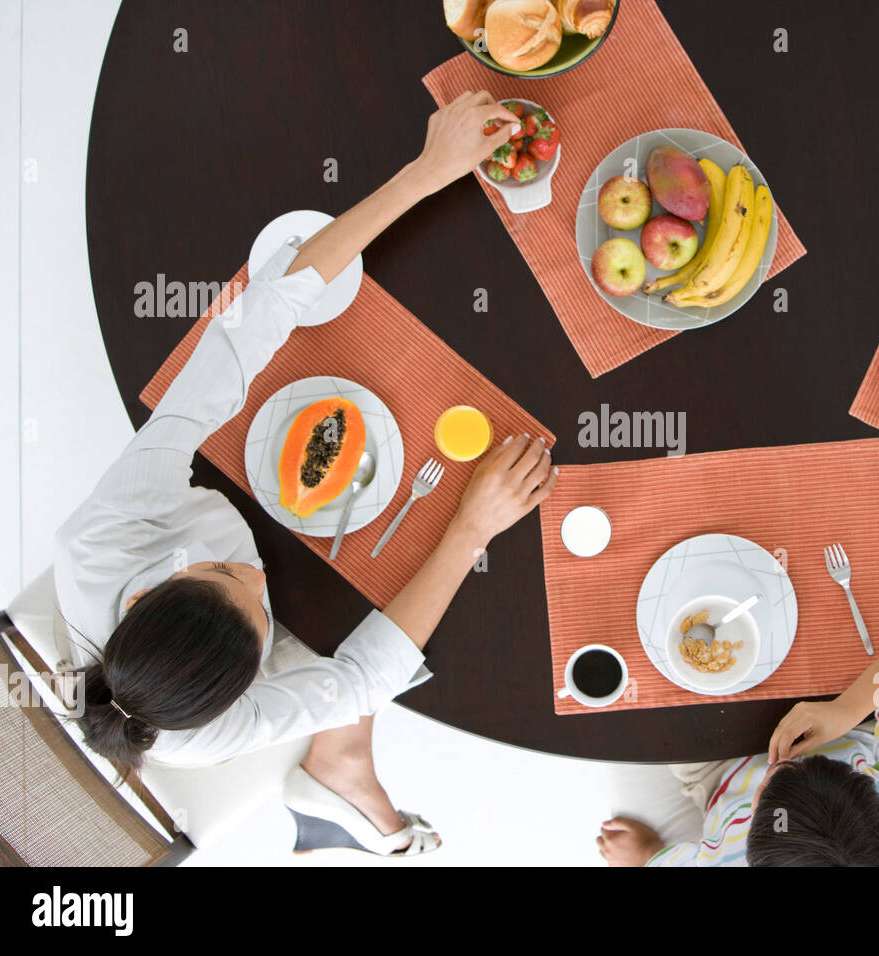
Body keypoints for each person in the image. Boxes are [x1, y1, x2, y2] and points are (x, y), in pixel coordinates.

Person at [55, 91, 556, 857]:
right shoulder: (211, 730)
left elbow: (246, 331)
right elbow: (358, 681)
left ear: (156, 585)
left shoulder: (108, 532)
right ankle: (341, 769)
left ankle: (340, 766)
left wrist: (425, 173)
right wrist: (471, 527)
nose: (262, 578)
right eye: (264, 613)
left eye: (228, 572)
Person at [597, 642, 879, 866]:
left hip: (715, 771)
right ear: (869, 788)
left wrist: (645, 854)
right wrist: (845, 710)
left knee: (639, 670)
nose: (781, 763)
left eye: (766, 796)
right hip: (840, 724)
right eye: (807, 768)